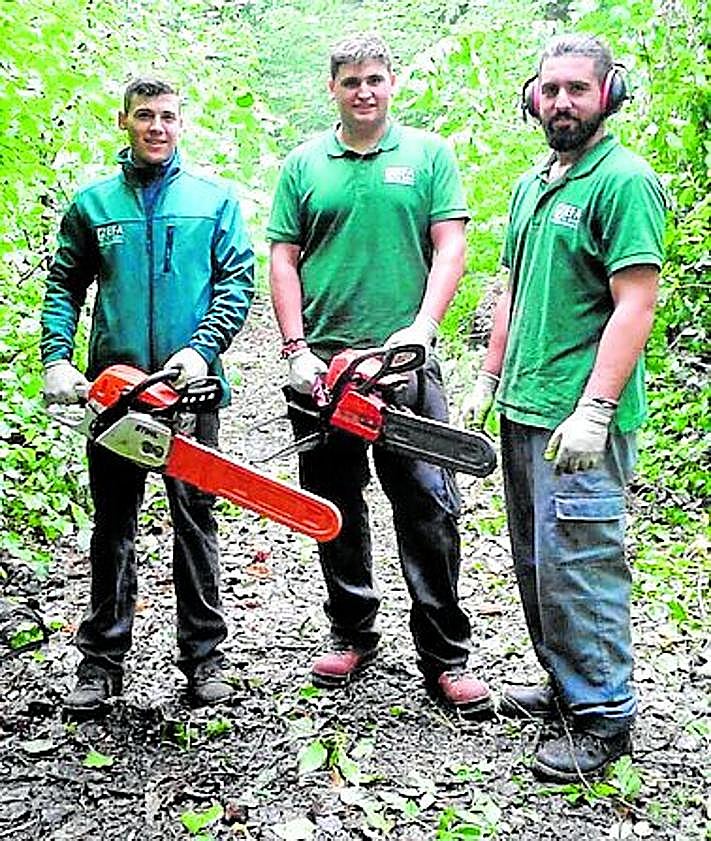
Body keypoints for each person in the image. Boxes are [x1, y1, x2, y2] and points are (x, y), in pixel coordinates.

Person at [267, 33, 492, 717]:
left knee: (429, 507)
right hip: (325, 366)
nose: (363, 90)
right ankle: (353, 629)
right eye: (350, 81)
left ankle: (445, 654)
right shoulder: (305, 163)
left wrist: (422, 327)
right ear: (331, 88)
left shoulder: (428, 155)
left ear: (392, 82)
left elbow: (449, 243)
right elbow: (282, 256)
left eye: (374, 79)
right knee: (333, 506)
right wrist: (294, 347)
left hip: (404, 364)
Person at [464, 34, 665, 779]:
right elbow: (512, 287)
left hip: (578, 417)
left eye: (577, 89)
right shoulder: (531, 184)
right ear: (531, 95)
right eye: (549, 89)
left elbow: (634, 302)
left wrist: (598, 407)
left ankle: (603, 717)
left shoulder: (624, 181)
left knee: (581, 564)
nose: (560, 103)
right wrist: (489, 375)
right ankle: (565, 686)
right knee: (538, 564)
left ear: (607, 93)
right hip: (525, 404)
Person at [41, 78, 255, 717]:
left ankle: (206, 658)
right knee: (113, 526)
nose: (156, 126)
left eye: (167, 116)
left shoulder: (212, 199)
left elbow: (236, 280)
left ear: (181, 123)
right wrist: (55, 358)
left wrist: (203, 347)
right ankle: (101, 662)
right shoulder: (93, 204)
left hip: (189, 390)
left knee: (195, 519)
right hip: (115, 392)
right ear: (124, 122)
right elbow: (63, 285)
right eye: (144, 116)